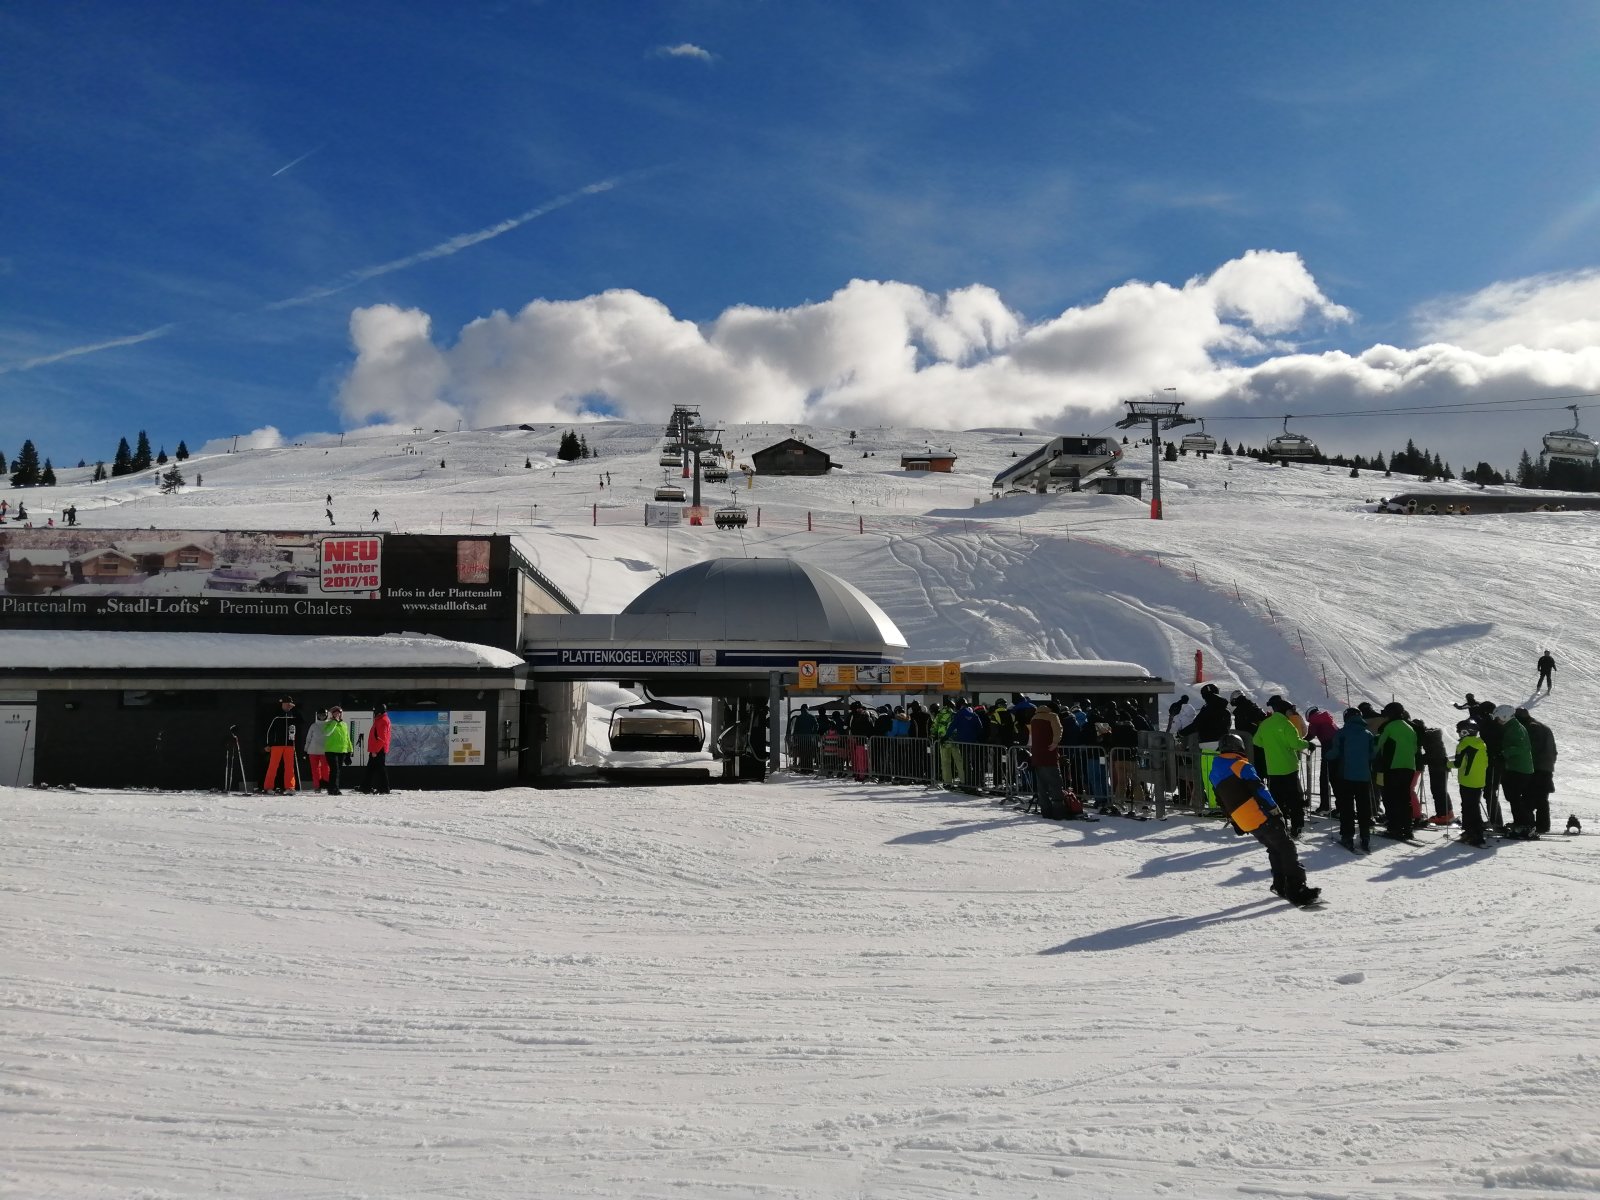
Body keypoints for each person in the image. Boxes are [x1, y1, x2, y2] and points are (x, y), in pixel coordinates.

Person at [1208, 734, 1319, 906]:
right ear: (1239, 747)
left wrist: (1235, 821)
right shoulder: (1241, 765)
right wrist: (1274, 809)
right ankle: (1297, 889)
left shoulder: (1214, 771)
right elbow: (1259, 789)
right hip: (1258, 814)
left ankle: (1280, 884)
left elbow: (1220, 800)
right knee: (1286, 847)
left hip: (1245, 820)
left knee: (1275, 847)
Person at [1253, 697, 1312, 837]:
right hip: (1289, 767)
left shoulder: (1265, 724)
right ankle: (1297, 826)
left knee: (1277, 799)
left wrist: (1271, 745)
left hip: (1273, 768)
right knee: (1294, 798)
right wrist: (1308, 744)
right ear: (1285, 711)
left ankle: (1281, 824)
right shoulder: (1287, 724)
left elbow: (1256, 741)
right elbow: (1296, 744)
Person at [1326, 707, 1375, 852]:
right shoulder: (1367, 734)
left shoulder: (1341, 733)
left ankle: (1347, 836)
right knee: (1363, 807)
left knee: (1347, 807)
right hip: (1363, 776)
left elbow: (1334, 753)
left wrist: (1327, 755)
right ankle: (1365, 836)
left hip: (1345, 775)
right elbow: (1372, 755)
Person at [1374, 702, 1419, 840]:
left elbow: (1378, 746)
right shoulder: (1410, 728)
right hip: (1409, 767)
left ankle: (1394, 828)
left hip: (1392, 767)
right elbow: (1415, 749)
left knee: (1391, 798)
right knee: (1404, 799)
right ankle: (1407, 828)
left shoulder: (1389, 727)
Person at [1495, 705, 1537, 838]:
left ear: (1505, 717)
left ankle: (1527, 825)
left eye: (1498, 718)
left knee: (1517, 798)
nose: (1497, 721)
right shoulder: (1510, 726)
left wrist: (1504, 753)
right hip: (1515, 767)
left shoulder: (1516, 728)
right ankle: (1520, 823)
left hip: (1521, 769)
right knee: (1513, 798)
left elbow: (1523, 747)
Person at [1517, 708, 1557, 835]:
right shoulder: (1545, 728)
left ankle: (1529, 824)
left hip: (1535, 767)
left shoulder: (1531, 728)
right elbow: (1554, 751)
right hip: (1547, 767)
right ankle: (1543, 825)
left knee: (1529, 797)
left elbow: (1532, 749)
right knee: (1542, 798)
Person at [1453, 719, 1489, 846]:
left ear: (1464, 732)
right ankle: (1474, 831)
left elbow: (1458, 764)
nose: (1458, 734)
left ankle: (1473, 833)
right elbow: (1485, 762)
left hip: (1467, 780)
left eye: (1459, 731)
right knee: (1473, 806)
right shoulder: (1481, 743)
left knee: (1468, 807)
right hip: (1479, 780)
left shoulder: (1463, 744)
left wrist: (1445, 763)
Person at [1415, 720, 1453, 825]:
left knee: (1437, 791)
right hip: (1441, 765)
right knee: (1441, 790)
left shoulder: (1428, 737)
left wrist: (1420, 759)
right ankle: (1448, 813)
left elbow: (1432, 754)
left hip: (1437, 767)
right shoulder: (1432, 735)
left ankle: (1442, 815)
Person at [1305, 706, 1338, 814]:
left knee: (1324, 778)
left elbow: (1310, 735)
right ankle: (1341, 806)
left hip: (1328, 748)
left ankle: (1325, 806)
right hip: (1338, 749)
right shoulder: (1327, 718)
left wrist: (1300, 742)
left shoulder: (1315, 720)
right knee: (1335, 778)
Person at [262, 696, 299, 793]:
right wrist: (267, 744)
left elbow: (302, 722)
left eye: (290, 704)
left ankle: (290, 787)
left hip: (290, 745)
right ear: (283, 704)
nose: (289, 706)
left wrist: (295, 709)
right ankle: (268, 787)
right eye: (287, 704)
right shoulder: (276, 715)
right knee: (273, 766)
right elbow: (268, 731)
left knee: (290, 767)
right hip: (276, 745)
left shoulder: (294, 715)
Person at [322, 707, 352, 795]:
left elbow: (347, 738)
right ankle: (333, 789)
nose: (337, 714)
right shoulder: (328, 723)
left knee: (337, 770)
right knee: (334, 770)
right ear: (332, 714)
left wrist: (349, 752)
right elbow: (327, 733)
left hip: (342, 751)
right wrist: (334, 722)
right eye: (335, 713)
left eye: (338, 713)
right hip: (331, 750)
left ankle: (334, 788)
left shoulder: (344, 724)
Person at [364, 702, 391, 794]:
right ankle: (365, 787)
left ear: (379, 711)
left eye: (375, 710)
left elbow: (382, 738)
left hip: (378, 749)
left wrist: (375, 750)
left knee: (380, 769)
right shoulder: (379, 719)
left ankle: (384, 788)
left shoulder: (383, 720)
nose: (374, 712)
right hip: (375, 749)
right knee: (371, 769)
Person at [305, 708, 331, 792]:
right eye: (320, 715)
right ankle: (317, 786)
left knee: (326, 769)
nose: (322, 717)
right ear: (317, 716)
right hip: (313, 751)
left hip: (325, 751)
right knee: (315, 770)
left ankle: (326, 785)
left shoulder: (330, 725)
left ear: (327, 715)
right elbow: (308, 738)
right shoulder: (314, 725)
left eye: (324, 715)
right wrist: (306, 749)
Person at [790, 704, 819, 773]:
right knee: (809, 754)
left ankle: (803, 768)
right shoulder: (812, 717)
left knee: (802, 754)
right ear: (807, 709)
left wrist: (795, 738)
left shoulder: (799, 718)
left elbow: (796, 729)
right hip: (810, 739)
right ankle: (810, 768)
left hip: (801, 739)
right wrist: (813, 734)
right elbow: (816, 726)